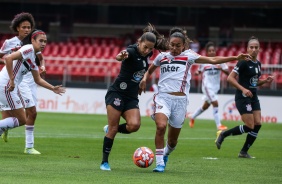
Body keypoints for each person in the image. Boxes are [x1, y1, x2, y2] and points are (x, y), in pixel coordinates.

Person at [139, 27, 251, 172]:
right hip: (163, 98)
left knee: (172, 142)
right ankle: (160, 163)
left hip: (180, 101)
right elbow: (149, 70)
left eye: (177, 45)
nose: (174, 48)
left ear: (184, 45)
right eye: (172, 45)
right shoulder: (162, 57)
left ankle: (166, 154)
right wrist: (144, 78)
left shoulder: (189, 56)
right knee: (161, 126)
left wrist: (235, 58)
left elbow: (212, 59)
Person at [100, 23, 167, 171]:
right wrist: (120, 56)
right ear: (139, 42)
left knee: (134, 126)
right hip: (117, 93)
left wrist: (144, 79)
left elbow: (150, 63)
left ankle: (113, 129)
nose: (148, 50)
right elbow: (122, 55)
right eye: (145, 47)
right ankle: (104, 162)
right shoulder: (131, 51)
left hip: (131, 97)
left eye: (150, 48)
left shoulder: (147, 54)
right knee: (112, 128)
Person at [0, 29, 65, 153]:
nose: (43, 44)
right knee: (22, 119)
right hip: (6, 85)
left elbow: (38, 79)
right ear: (32, 40)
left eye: (45, 41)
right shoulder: (28, 49)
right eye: (41, 41)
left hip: (8, 86)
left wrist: (53, 88)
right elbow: (8, 58)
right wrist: (12, 80)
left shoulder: (32, 58)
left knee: (18, 117)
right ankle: (28, 147)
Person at [215, 36, 274, 158]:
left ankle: (243, 152)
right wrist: (243, 89)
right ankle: (223, 134)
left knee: (258, 124)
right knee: (250, 126)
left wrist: (264, 81)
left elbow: (254, 82)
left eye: (256, 47)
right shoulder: (243, 62)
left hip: (253, 97)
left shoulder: (258, 64)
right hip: (242, 97)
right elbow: (230, 78)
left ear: (259, 49)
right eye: (251, 47)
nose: (253, 49)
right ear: (247, 49)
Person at [0, 12, 46, 154]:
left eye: (29, 27)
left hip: (28, 79)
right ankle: (25, 143)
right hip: (14, 78)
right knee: (20, 113)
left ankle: (28, 145)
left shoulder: (33, 42)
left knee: (31, 112)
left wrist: (42, 66)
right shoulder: (10, 43)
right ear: (17, 28)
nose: (27, 29)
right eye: (24, 27)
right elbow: (3, 57)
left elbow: (40, 58)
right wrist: (13, 61)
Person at [188, 41, 229, 131]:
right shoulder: (204, 61)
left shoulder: (220, 61)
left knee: (205, 106)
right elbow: (199, 70)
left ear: (215, 51)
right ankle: (219, 125)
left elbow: (228, 73)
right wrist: (197, 73)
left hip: (215, 88)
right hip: (207, 86)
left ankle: (192, 117)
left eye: (213, 50)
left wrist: (221, 68)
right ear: (207, 52)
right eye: (209, 51)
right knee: (215, 103)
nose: (211, 52)